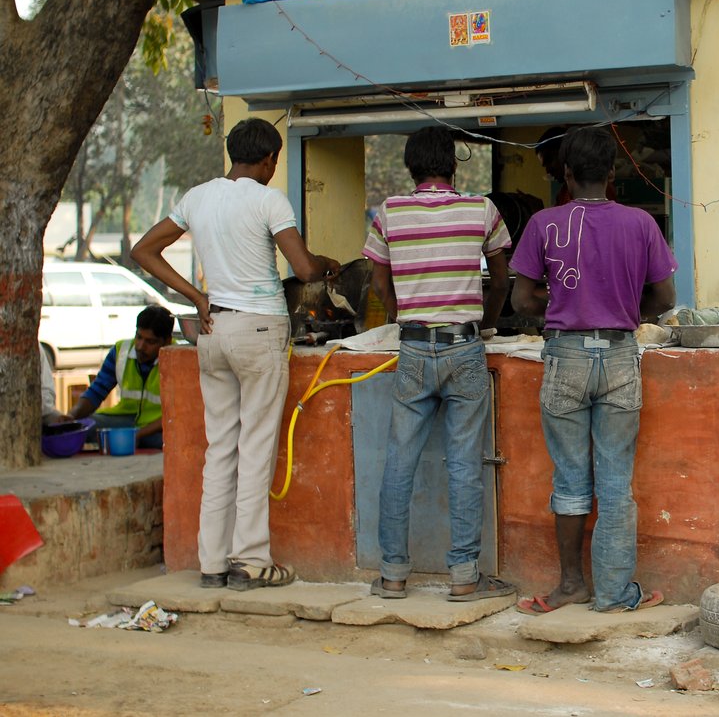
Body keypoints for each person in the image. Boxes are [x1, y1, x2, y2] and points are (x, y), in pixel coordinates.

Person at [132, 117, 340, 592]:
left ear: (232, 153)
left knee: (220, 447)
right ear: (268, 159)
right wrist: (327, 263)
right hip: (260, 327)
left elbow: (143, 250)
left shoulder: (197, 197)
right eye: (274, 161)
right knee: (256, 446)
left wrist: (197, 297)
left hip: (214, 327)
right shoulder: (269, 199)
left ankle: (211, 562)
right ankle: (250, 559)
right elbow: (304, 268)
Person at [510, 125, 677, 614]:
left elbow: (521, 299)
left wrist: (563, 302)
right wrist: (623, 308)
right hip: (621, 356)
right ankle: (615, 593)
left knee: (570, 480)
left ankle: (570, 585)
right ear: (612, 173)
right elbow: (664, 299)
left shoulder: (544, 223)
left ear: (565, 172)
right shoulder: (641, 224)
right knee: (615, 483)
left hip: (566, 356)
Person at [362, 126, 517, 602]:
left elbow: (378, 282)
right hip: (464, 346)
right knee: (465, 462)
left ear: (411, 167)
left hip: (411, 347)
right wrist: (484, 323)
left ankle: (391, 575)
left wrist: (401, 315)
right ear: (453, 164)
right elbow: (502, 279)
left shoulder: (388, 213)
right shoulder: (481, 210)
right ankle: (465, 577)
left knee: (398, 461)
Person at [67, 305, 173, 449]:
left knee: (171, 441)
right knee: (82, 427)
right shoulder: (120, 351)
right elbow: (96, 392)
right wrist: (71, 418)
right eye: (139, 337)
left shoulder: (177, 358)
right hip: (125, 420)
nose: (141, 346)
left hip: (159, 426)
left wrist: (138, 435)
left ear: (167, 341)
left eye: (150, 341)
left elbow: (179, 414)